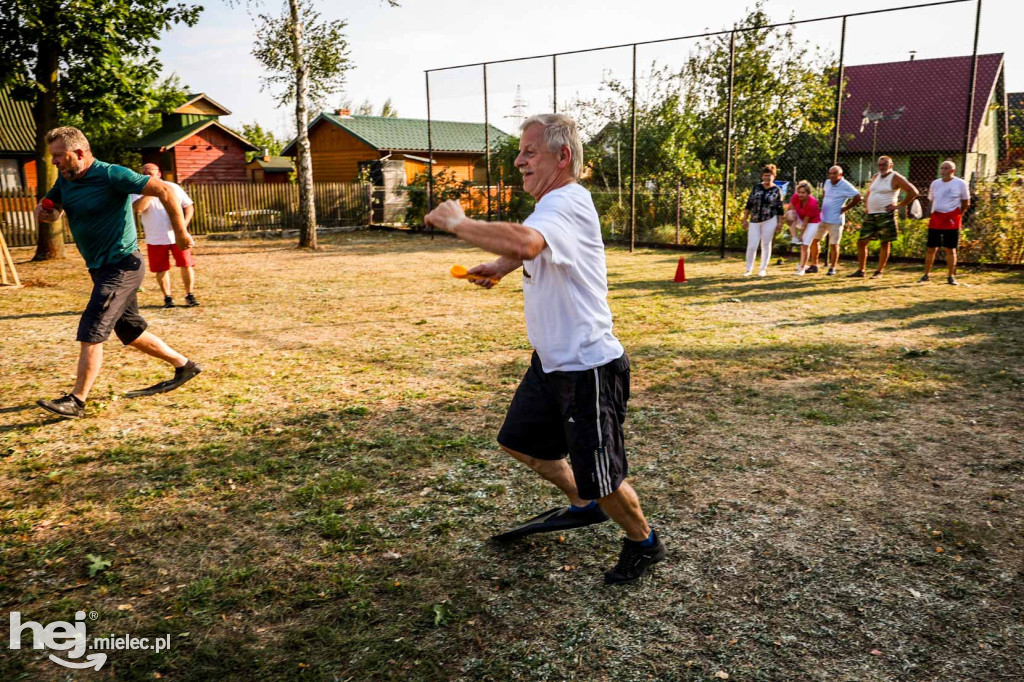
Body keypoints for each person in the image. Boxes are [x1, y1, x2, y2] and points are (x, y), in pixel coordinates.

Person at [424, 114, 664, 585]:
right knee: (521, 443)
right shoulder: (555, 206)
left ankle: (644, 542)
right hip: (551, 363)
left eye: (529, 152)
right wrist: (498, 266)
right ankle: (583, 504)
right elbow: (537, 248)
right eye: (521, 151)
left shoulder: (566, 202)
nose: (518, 161)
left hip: (588, 368)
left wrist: (460, 222)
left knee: (602, 475)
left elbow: (532, 243)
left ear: (563, 156)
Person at [34, 127, 201, 419]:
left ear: (79, 153)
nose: (54, 162)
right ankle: (184, 365)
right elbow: (56, 208)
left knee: (94, 321)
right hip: (98, 267)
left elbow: (163, 189)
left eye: (59, 156)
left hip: (122, 263)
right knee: (129, 329)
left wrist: (180, 229)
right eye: (53, 156)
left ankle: (77, 400)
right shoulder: (66, 178)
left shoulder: (112, 174)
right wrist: (47, 212)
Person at [132, 163, 199, 307]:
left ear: (159, 174)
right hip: (155, 237)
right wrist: (151, 191)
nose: (146, 175)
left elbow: (188, 205)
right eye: (144, 173)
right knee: (161, 269)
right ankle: (168, 298)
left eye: (150, 173)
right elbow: (138, 208)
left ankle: (190, 295)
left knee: (186, 264)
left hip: (178, 235)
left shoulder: (173, 187)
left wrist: (184, 225)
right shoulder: (138, 190)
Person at [849, 156, 918, 279]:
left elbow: (913, 191)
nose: (882, 167)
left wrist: (899, 206)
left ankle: (879, 271)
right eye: (880, 165)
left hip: (885, 214)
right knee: (862, 242)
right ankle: (861, 270)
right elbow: (869, 192)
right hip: (871, 214)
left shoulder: (896, 177)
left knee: (884, 243)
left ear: (891, 165)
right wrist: (867, 206)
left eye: (884, 165)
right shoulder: (876, 177)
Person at [920, 160, 970, 285]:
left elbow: (965, 202)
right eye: (942, 168)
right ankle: (926, 274)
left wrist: (957, 215)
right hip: (936, 218)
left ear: (953, 170)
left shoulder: (961, 184)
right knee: (931, 248)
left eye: (946, 168)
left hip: (952, 219)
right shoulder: (935, 184)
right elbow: (932, 199)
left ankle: (951, 276)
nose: (943, 171)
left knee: (950, 249)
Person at [812, 165, 862, 276]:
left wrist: (845, 208)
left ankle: (832, 267)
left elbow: (858, 197)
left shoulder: (846, 185)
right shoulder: (827, 183)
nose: (832, 176)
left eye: (834, 173)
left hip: (835, 220)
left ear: (840, 175)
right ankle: (814, 265)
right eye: (830, 173)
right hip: (823, 217)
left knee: (834, 244)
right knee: (814, 240)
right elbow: (825, 194)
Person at [740, 165, 785, 277]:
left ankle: (763, 269)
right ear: (762, 176)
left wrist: (780, 223)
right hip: (754, 220)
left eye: (769, 176)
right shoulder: (756, 188)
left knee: (765, 244)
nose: (766, 178)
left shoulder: (776, 190)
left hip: (769, 219)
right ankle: (748, 269)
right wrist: (745, 219)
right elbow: (749, 204)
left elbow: (780, 208)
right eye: (765, 175)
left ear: (774, 176)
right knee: (752, 245)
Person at [790, 181, 822, 275]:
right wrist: (793, 215)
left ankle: (802, 268)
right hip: (801, 218)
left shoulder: (812, 203)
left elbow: (805, 222)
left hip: (812, 223)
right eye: (799, 192)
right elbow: (790, 208)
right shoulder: (795, 197)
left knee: (805, 244)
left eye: (803, 192)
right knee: (788, 215)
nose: (800, 194)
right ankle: (794, 237)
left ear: (808, 193)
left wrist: (801, 235)